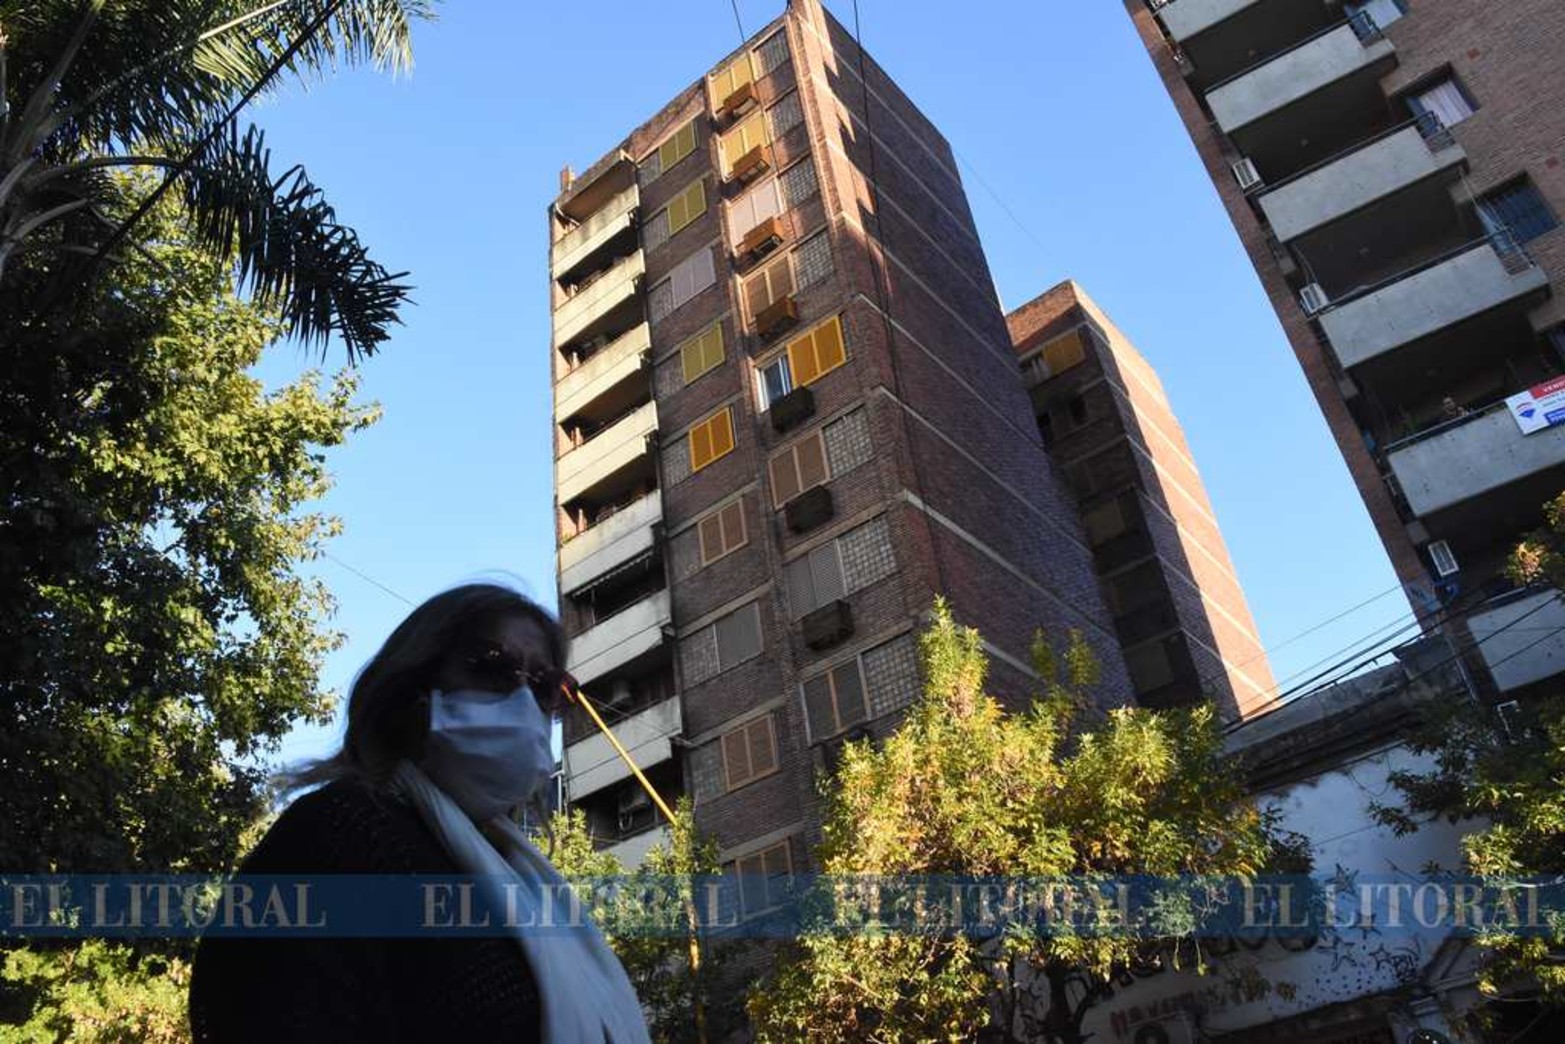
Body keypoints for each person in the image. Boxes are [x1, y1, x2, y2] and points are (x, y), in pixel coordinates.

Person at [189, 582, 651, 1043]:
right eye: (492, 666)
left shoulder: (529, 884)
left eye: (544, 686)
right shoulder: (346, 832)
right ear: (414, 686)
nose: (522, 702)